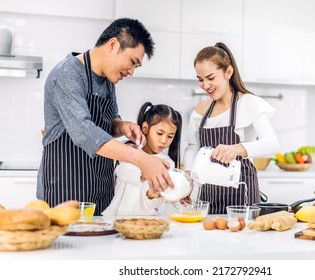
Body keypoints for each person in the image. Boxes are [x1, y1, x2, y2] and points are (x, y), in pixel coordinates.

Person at [37, 18, 174, 215]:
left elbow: (109, 121)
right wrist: (141, 159)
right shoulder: (67, 75)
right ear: (113, 45)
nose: (132, 72)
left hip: (100, 191)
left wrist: (121, 126)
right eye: (132, 62)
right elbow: (84, 132)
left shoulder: (108, 79)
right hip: (63, 191)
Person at [184, 42, 279, 214]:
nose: (205, 85)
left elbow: (272, 144)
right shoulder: (200, 110)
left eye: (210, 78)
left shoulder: (248, 103)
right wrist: (188, 179)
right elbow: (192, 147)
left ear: (228, 72)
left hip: (242, 198)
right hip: (208, 198)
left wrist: (237, 148)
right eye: (200, 79)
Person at [102, 102, 182, 216]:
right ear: (145, 128)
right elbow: (121, 171)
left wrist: (152, 195)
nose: (164, 140)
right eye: (159, 133)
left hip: (147, 220)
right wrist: (149, 169)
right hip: (117, 216)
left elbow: (154, 203)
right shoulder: (128, 149)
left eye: (170, 136)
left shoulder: (168, 163)